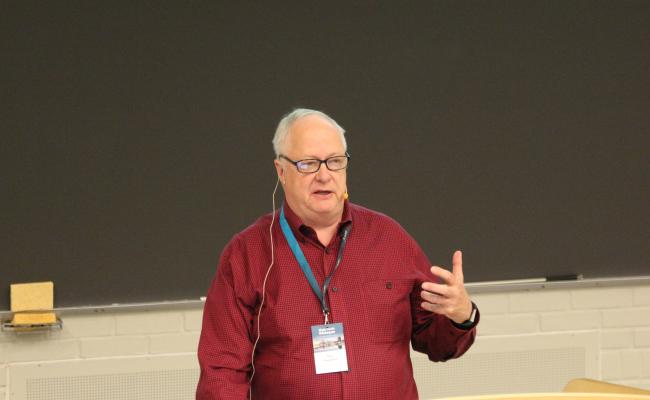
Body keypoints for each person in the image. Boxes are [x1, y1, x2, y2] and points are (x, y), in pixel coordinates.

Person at [196, 108, 479, 400]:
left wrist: (461, 316)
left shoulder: (390, 239)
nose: (324, 176)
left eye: (334, 161)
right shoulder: (247, 254)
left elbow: (436, 342)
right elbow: (221, 373)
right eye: (308, 164)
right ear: (281, 171)